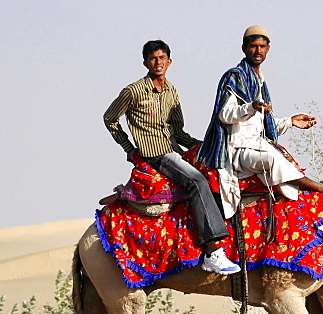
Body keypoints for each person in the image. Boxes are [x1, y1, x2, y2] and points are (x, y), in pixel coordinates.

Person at [103, 40, 241, 275]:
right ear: (146, 62)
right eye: (153, 58)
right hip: (156, 154)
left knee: (219, 169)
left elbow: (178, 132)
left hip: (173, 148)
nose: (158, 62)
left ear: (169, 61)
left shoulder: (171, 91)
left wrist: (203, 146)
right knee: (197, 181)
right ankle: (212, 251)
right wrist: (128, 148)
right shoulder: (133, 91)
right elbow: (110, 118)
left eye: (162, 58)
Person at [198, 25, 323, 216]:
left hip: (257, 143)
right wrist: (251, 107)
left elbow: (263, 126)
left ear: (268, 49)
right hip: (238, 151)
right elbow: (225, 114)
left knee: (284, 157)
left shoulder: (260, 82)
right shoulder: (235, 77)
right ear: (244, 48)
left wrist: (290, 121)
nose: (258, 51)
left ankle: (316, 189)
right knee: (272, 160)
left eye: (262, 46)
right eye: (254, 46)